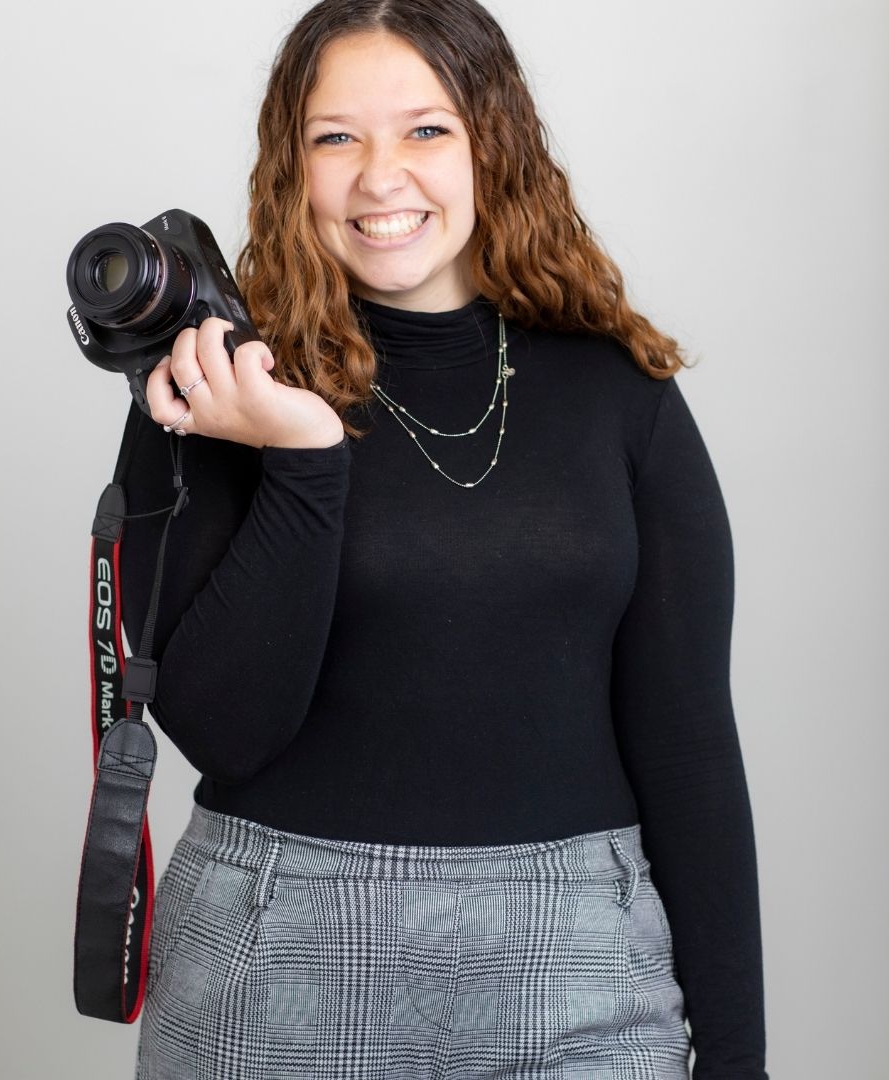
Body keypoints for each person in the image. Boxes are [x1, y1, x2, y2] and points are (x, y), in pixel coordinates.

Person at [120, 1, 768, 1076]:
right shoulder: (217, 388)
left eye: (426, 129)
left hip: (580, 973)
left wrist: (738, 1061)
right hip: (274, 965)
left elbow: (689, 741)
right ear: (293, 165)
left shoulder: (619, 393)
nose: (382, 177)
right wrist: (305, 462)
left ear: (491, 143)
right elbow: (226, 732)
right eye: (337, 137)